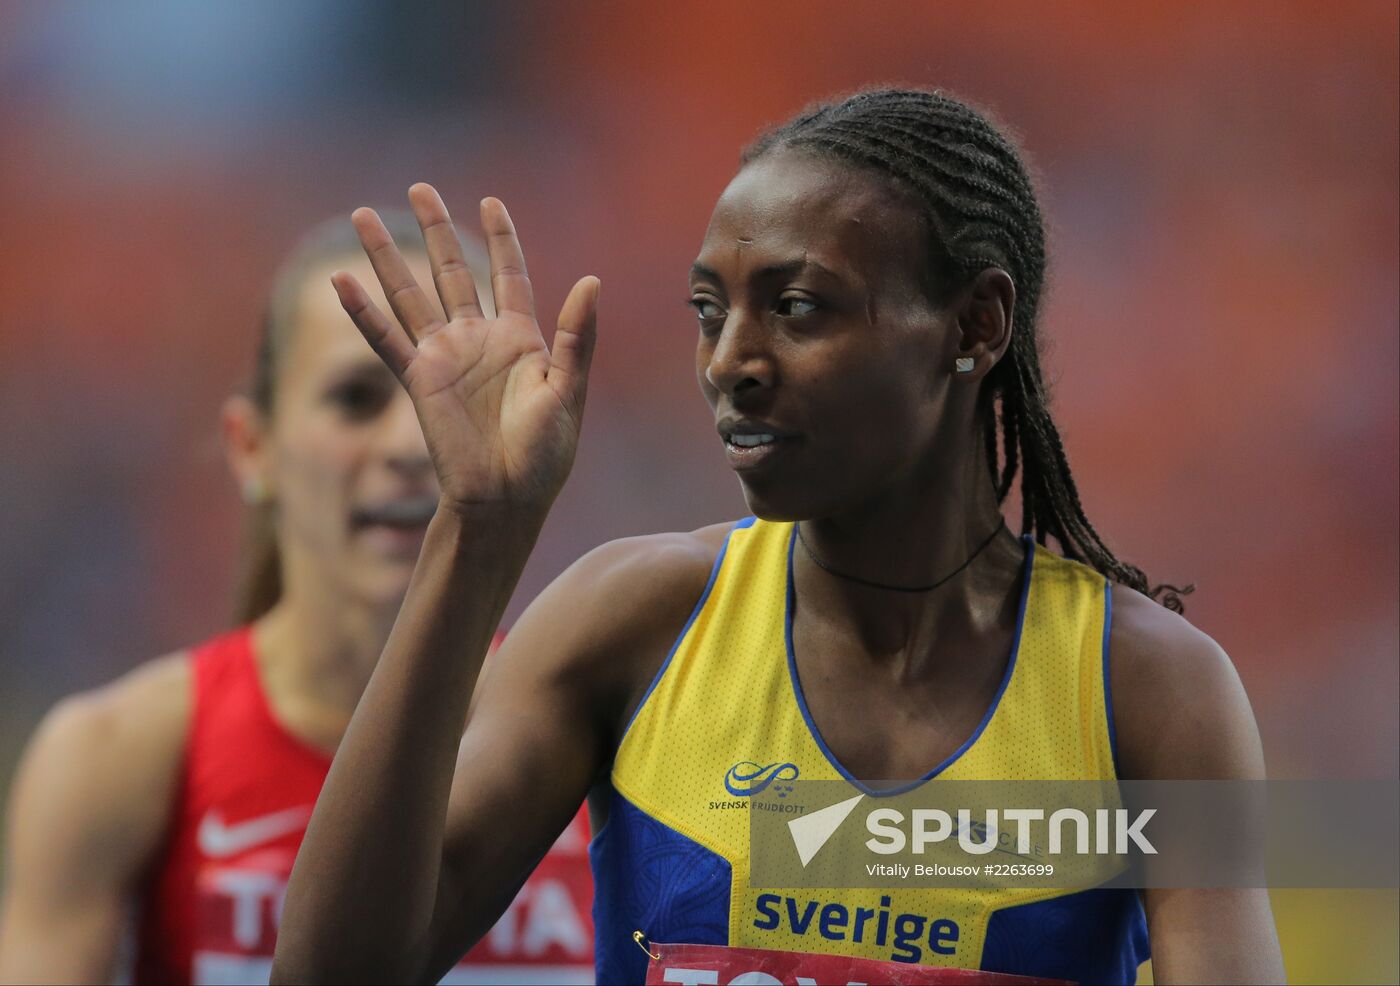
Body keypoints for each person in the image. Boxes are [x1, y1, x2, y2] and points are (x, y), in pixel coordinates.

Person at [271, 88, 1286, 986]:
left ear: (975, 325)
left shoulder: (1144, 691)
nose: (730, 363)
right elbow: (333, 971)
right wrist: (479, 530)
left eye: (797, 308)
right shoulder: (634, 620)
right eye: (708, 311)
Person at [0, 216, 595, 985]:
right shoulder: (117, 755)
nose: (419, 446)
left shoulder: (594, 733)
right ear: (254, 447)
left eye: (463, 398)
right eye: (356, 398)